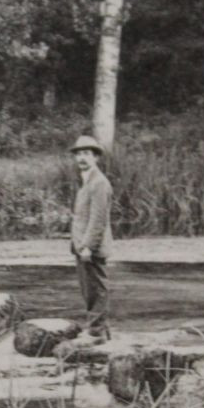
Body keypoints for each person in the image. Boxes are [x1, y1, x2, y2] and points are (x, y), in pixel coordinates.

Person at [68, 134, 113, 341]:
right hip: (81, 247)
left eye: (87, 153)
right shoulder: (87, 181)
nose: (82, 158)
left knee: (96, 289)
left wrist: (87, 246)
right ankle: (100, 331)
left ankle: (97, 331)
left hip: (91, 248)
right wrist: (77, 245)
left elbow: (98, 219)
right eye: (79, 154)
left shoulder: (99, 183)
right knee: (89, 289)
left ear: (96, 157)